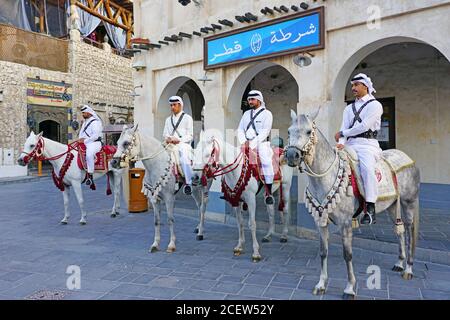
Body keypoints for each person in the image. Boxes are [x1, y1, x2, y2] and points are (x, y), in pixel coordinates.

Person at [335, 73, 383, 225]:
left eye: (356, 85)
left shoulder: (375, 105)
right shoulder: (349, 108)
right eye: (352, 85)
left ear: (365, 86)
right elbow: (344, 127)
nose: (353, 88)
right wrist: (341, 141)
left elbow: (364, 126)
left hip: (368, 145)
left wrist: (343, 134)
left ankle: (370, 207)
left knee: (367, 168)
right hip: (350, 144)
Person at [237, 90, 274, 205]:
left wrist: (252, 144)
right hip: (245, 144)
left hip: (261, 144)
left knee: (267, 162)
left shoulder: (267, 114)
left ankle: (269, 191)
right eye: (249, 99)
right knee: (233, 161)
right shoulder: (246, 114)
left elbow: (265, 132)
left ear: (259, 100)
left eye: (252, 99)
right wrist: (244, 142)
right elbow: (240, 129)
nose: (250, 101)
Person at [162, 96, 194, 195]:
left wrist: (178, 140)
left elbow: (190, 135)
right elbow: (165, 134)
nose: (172, 107)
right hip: (170, 144)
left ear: (180, 105)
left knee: (184, 157)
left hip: (183, 145)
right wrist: (168, 138)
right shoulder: (168, 119)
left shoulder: (187, 118)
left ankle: (189, 182)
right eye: (171, 105)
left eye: (174, 105)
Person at [77, 104, 103, 187]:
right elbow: (81, 133)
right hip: (85, 142)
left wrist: (84, 141)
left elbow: (95, 136)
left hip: (94, 143)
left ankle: (90, 175)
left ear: (89, 113)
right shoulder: (85, 122)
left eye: (84, 113)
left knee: (89, 154)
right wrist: (79, 140)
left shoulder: (95, 122)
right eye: (82, 113)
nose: (83, 114)